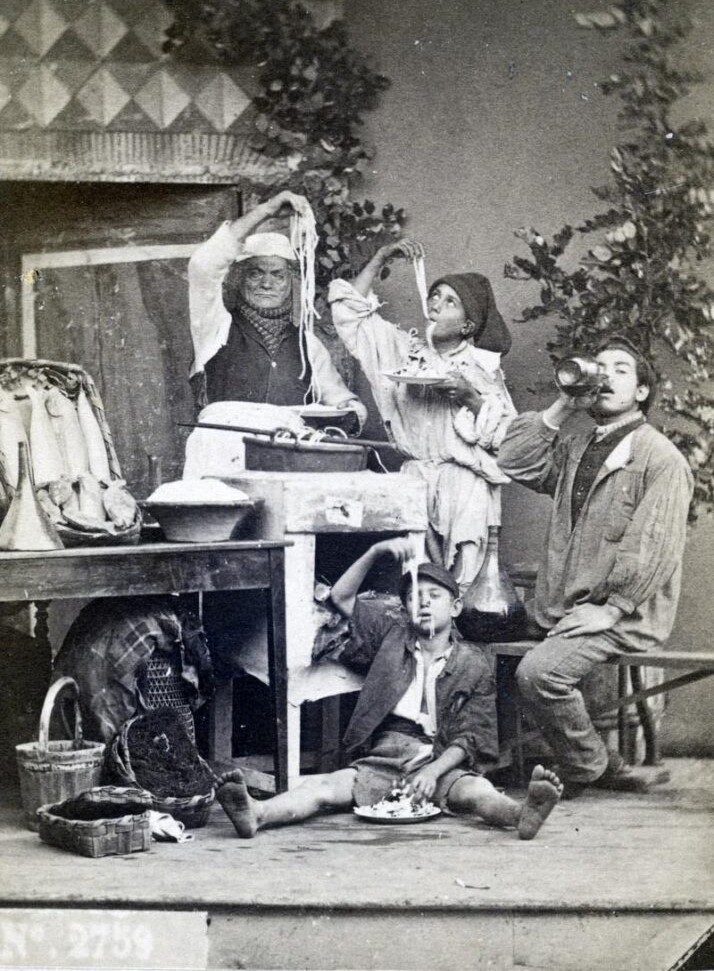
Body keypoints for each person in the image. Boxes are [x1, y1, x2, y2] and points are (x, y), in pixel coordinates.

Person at [216, 537, 563, 840]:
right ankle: (257, 813)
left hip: (441, 757)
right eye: (414, 597)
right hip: (386, 754)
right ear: (405, 610)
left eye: (434, 596)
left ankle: (521, 815)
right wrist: (376, 550)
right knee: (323, 788)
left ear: (455, 607)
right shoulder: (390, 637)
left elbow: (472, 736)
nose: (424, 603)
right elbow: (340, 597)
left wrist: (433, 770)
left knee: (475, 791)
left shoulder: (474, 663)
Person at [497, 335, 694, 798]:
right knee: (485, 654)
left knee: (539, 674)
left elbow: (654, 546)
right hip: (567, 608)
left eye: (620, 370)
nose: (605, 376)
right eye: (598, 367)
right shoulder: (577, 446)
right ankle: (526, 764)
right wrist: (564, 404)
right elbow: (513, 461)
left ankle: (591, 765)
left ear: (642, 391)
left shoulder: (659, 457)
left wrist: (612, 608)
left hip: (621, 614)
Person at [327, 240, 517, 591]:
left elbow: (510, 438)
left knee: (463, 582)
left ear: (467, 325)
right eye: (434, 296)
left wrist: (469, 397)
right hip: (415, 479)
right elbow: (349, 311)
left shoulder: (483, 368)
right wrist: (382, 256)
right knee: (416, 583)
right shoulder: (403, 350)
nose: (435, 304)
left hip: (466, 486)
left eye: (450, 301)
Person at [187, 189, 367, 427]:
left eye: (278, 275)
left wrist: (349, 410)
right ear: (239, 279)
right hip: (226, 453)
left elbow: (342, 401)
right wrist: (267, 209)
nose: (267, 283)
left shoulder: (307, 345)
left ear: (289, 283)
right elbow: (203, 266)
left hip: (287, 457)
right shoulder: (217, 327)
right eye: (256, 273)